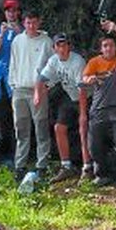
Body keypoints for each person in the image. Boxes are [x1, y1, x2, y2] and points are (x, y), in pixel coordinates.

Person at [82, 19, 116, 190]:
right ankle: (102, 175)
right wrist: (89, 79)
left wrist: (114, 27)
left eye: (111, 45)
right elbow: (84, 80)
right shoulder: (93, 62)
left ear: (115, 47)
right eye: (105, 46)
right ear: (101, 49)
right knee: (94, 145)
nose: (108, 48)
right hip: (98, 109)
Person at [35, 33, 91, 183]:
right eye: (58, 45)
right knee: (59, 127)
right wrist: (37, 94)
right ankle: (66, 166)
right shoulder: (53, 61)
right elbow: (42, 78)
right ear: (54, 48)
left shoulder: (77, 62)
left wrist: (83, 113)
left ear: (69, 47)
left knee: (83, 128)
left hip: (85, 97)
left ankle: (88, 167)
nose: (62, 48)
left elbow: (83, 89)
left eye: (64, 45)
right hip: (69, 96)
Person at [9, 10, 53, 179]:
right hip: (19, 89)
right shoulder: (17, 40)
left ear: (39, 22)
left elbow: (52, 66)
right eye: (28, 23)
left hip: (38, 89)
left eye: (34, 22)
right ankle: (20, 165)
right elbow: (13, 63)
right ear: (24, 23)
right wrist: (13, 83)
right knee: (21, 128)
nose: (31, 26)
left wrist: (45, 86)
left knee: (41, 126)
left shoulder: (46, 42)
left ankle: (42, 164)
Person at [0, 0, 21, 161]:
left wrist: (16, 32)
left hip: (15, 79)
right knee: (2, 115)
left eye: (14, 10)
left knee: (17, 116)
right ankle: (5, 151)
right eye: (8, 10)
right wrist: (2, 33)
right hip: (0, 78)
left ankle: (18, 153)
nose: (11, 13)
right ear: (5, 13)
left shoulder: (23, 30)